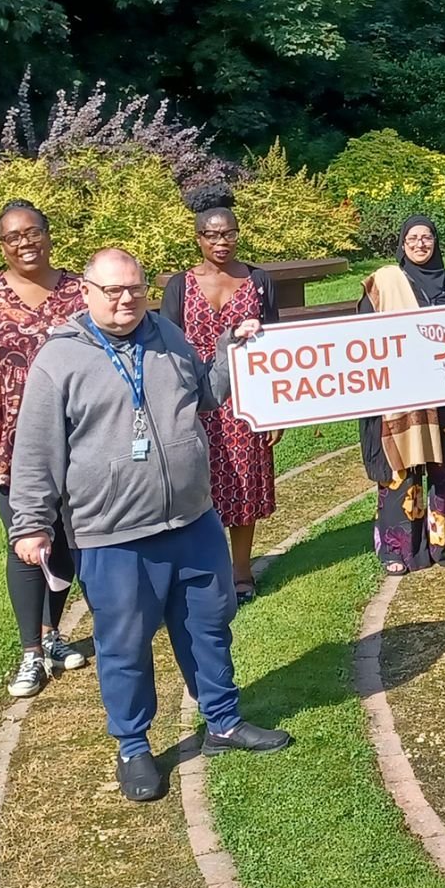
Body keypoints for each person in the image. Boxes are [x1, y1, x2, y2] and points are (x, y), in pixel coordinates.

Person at [8, 248, 290, 803]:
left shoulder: (166, 334)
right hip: (113, 533)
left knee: (209, 626)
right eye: (112, 290)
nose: (125, 300)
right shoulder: (59, 360)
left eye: (134, 288)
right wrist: (32, 524)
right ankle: (134, 748)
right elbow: (36, 451)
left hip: (191, 519)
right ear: (86, 292)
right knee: (124, 644)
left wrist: (231, 351)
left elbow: (206, 395)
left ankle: (224, 722)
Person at [0, 199, 88, 698]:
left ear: (49, 234)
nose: (26, 243)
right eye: (14, 237)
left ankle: (53, 636)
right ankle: (30, 652)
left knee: (69, 538)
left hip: (76, 433)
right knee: (28, 539)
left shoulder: (78, 292)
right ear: (2, 246)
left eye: (33, 232)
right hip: (9, 438)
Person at [161, 185, 281, 603]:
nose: (221, 241)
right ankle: (203, 571)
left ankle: (242, 572)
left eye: (228, 233)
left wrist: (274, 412)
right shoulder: (180, 285)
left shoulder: (258, 280)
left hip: (245, 402)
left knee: (244, 486)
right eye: (212, 235)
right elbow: (167, 348)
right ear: (199, 239)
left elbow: (276, 349)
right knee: (197, 487)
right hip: (196, 401)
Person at [358, 215, 445, 573]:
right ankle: (399, 549)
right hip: (400, 394)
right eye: (413, 238)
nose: (420, 244)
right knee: (401, 470)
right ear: (402, 243)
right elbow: (364, 336)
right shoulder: (385, 282)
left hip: (444, 394)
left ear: (436, 242)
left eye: (427, 238)